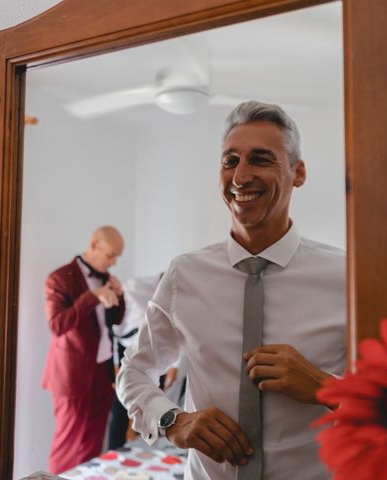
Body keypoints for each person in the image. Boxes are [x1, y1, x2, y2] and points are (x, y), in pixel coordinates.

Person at [116, 101, 345, 480]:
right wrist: (173, 420)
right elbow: (134, 369)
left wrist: (324, 388)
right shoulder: (184, 275)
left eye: (260, 159)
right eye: (230, 161)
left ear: (298, 172)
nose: (240, 177)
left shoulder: (344, 277)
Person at [42, 226, 126, 474]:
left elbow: (116, 321)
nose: (113, 262)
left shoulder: (106, 278)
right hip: (71, 375)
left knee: (92, 444)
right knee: (67, 444)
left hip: (102, 371)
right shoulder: (59, 278)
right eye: (110, 255)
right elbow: (57, 325)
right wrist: (93, 297)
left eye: (116, 257)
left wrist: (119, 297)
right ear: (94, 244)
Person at [108, 273, 183, 449]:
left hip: (158, 351)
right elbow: (113, 330)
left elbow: (176, 328)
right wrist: (115, 365)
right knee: (121, 406)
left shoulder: (177, 298)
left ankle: (145, 448)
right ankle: (115, 450)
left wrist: (175, 365)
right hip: (126, 350)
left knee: (156, 402)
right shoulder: (134, 287)